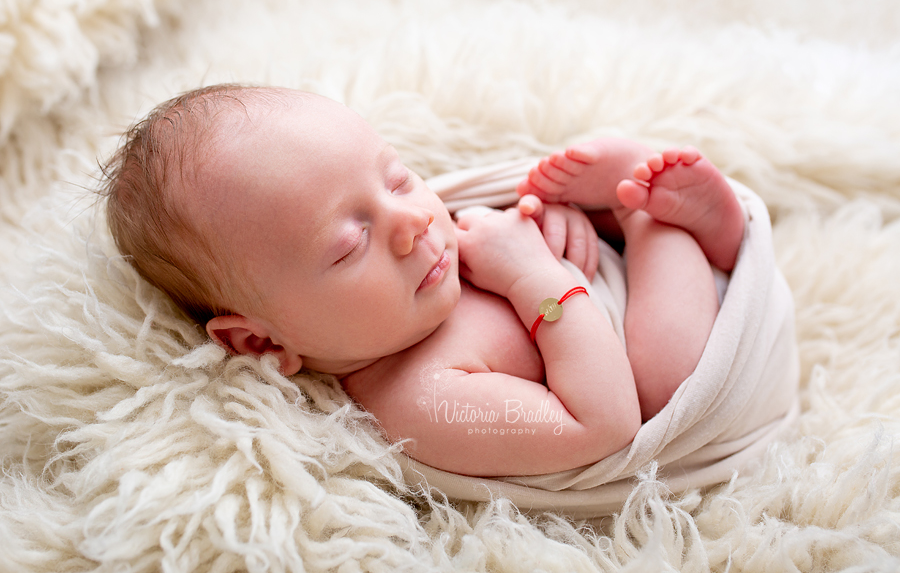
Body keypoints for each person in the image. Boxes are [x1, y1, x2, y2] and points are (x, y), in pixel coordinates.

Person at [101, 84, 746, 478]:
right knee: (665, 378)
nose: (413, 220)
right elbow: (604, 423)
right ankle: (655, 221)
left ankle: (639, 209)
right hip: (625, 357)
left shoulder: (426, 253)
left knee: (551, 211)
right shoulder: (418, 401)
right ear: (259, 343)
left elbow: (508, 234)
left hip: (595, 285)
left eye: (398, 178)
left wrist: (557, 228)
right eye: (351, 243)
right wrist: (536, 277)